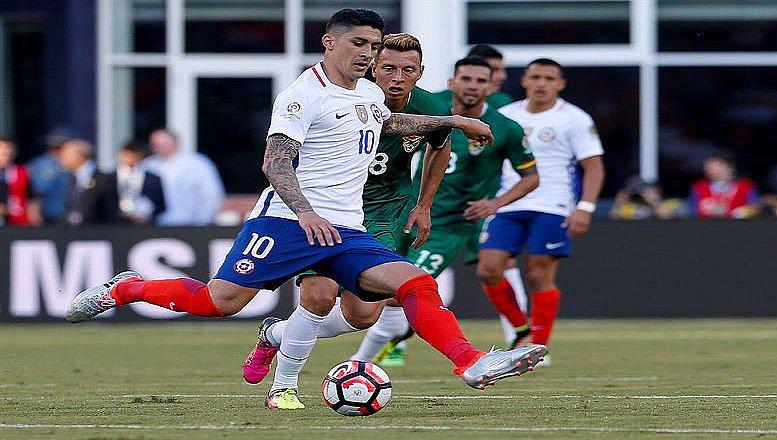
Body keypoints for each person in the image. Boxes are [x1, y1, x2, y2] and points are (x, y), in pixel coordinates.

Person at [65, 7, 546, 407]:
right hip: (287, 223)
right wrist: (306, 212)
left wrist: (454, 121)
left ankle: (470, 361)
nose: (368, 53)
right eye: (359, 43)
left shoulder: (368, 92)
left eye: (374, 45)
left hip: (347, 229)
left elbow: (386, 122)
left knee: (412, 283)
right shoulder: (302, 94)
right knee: (218, 303)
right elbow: (275, 163)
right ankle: (128, 289)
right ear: (329, 42)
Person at [242, 32, 455, 409]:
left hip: (387, 213)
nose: (396, 77)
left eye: (407, 69)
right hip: (332, 210)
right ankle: (284, 387)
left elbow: (441, 146)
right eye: (387, 67)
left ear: (420, 73)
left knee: (362, 315)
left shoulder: (430, 108)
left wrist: (424, 206)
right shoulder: (353, 95)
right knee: (319, 295)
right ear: (374, 66)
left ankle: (275, 334)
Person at [350, 56, 540, 367]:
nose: (472, 86)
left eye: (481, 81)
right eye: (466, 79)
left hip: (450, 226)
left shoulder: (505, 128)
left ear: (492, 86)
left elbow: (532, 177)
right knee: (377, 295)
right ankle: (384, 347)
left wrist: (495, 204)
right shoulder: (432, 107)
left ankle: (363, 361)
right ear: (452, 82)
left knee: (402, 290)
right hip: (403, 213)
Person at [476, 59, 605, 367]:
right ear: (524, 81)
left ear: (560, 84)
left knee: (538, 273)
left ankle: (538, 346)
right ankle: (522, 332)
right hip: (509, 202)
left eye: (549, 78)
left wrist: (585, 208)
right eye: (535, 77)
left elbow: (593, 166)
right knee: (488, 268)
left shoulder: (573, 118)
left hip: (553, 203)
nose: (541, 83)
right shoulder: (506, 115)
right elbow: (488, 159)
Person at [142, 129, 224, 226]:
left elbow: (211, 195)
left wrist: (202, 222)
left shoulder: (198, 163)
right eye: (156, 144)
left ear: (176, 142)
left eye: (165, 143)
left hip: (192, 224)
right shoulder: (147, 165)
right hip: (157, 225)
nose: (161, 147)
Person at [57, 139, 120, 225]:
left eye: (66, 153)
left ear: (80, 156)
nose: (61, 158)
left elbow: (110, 211)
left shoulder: (104, 180)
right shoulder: (70, 179)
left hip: (99, 233)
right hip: (74, 234)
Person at [435, 44, 514, 109]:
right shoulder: (435, 101)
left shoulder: (504, 102)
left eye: (481, 80)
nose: (502, 76)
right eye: (494, 70)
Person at [689, 152, 759, 218]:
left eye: (718, 166)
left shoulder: (745, 186)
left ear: (730, 168)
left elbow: (755, 208)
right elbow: (691, 210)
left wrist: (731, 212)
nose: (712, 170)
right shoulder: (699, 187)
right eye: (709, 167)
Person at [27, 130, 72, 224]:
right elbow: (38, 191)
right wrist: (35, 210)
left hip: (65, 214)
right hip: (48, 214)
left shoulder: (68, 164)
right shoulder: (44, 164)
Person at [116, 141, 166, 224]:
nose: (129, 158)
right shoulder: (110, 178)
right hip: (116, 225)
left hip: (145, 226)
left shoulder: (153, 178)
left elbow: (161, 205)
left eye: (132, 155)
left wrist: (147, 214)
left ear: (139, 156)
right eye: (126, 155)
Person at [0, 137, 31, 226]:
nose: (4, 156)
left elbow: (30, 198)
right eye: (2, 152)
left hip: (18, 221)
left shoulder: (21, 172)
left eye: (7, 151)